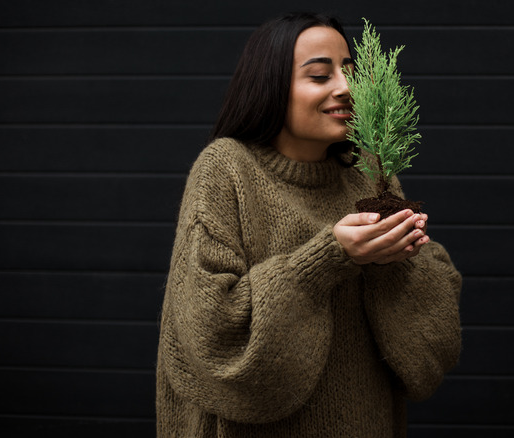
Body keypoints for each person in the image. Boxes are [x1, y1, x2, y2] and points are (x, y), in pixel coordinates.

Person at [156, 12, 462, 438]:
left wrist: (396, 258)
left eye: (350, 72)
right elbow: (209, 332)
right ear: (270, 86)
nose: (347, 88)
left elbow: (434, 343)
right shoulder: (227, 170)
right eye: (320, 76)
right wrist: (330, 255)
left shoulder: (370, 173)